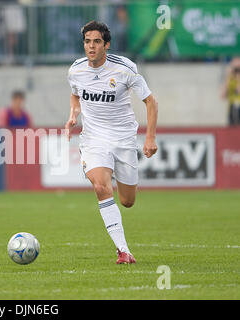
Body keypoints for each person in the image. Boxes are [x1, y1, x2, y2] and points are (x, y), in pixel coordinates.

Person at [65, 21, 158, 264]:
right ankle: (123, 251)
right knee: (101, 188)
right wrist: (73, 115)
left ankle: (122, 182)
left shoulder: (125, 69)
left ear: (106, 44)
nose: (91, 47)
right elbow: (75, 93)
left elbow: (151, 102)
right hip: (94, 138)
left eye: (96, 42)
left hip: (124, 138)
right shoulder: (75, 70)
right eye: (87, 42)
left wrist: (150, 137)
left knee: (127, 201)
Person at [221, 57, 240, 126]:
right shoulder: (230, 78)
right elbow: (223, 95)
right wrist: (228, 78)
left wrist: (238, 79)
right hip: (232, 107)